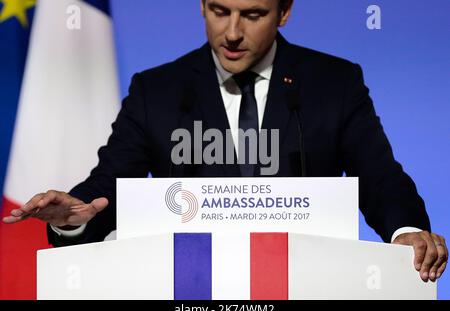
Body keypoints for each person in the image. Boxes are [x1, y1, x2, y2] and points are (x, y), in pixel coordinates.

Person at [2, 0, 447, 282]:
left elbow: (379, 173)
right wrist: (75, 216)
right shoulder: (156, 90)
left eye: (252, 15)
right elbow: (111, 182)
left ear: (285, 10)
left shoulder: (334, 82)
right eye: (219, 10)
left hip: (306, 282)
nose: (232, 32)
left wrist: (406, 231)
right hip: (188, 289)